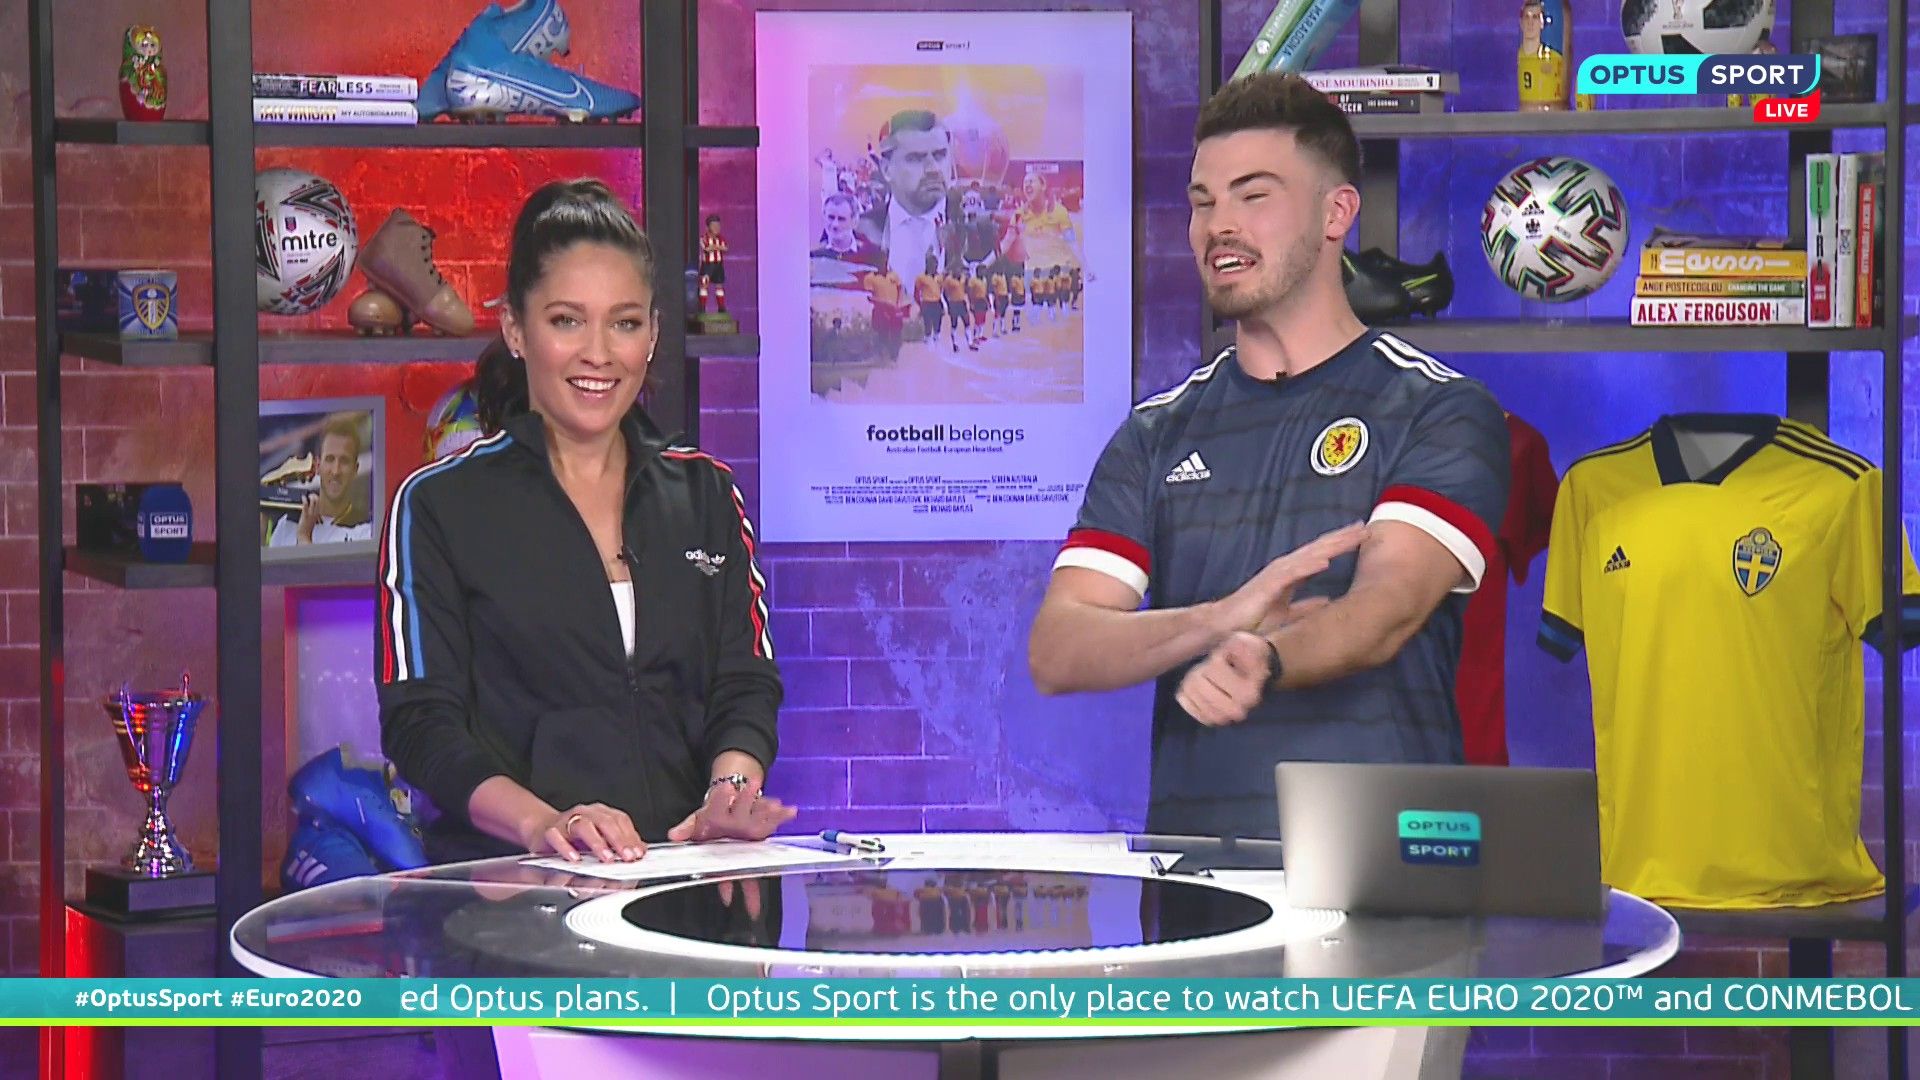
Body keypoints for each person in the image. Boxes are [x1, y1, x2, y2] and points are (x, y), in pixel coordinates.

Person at [1027, 73, 1510, 839]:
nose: (1220, 225)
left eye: (1254, 196)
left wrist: (1265, 657)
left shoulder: (1437, 408)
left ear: (1336, 213)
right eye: (1203, 201)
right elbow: (1059, 648)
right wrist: (1218, 619)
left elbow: (1386, 608)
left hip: (1382, 870)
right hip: (1197, 878)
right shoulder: (1155, 433)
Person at [377, 179, 795, 865]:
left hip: (687, 885)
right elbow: (422, 725)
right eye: (567, 321)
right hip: (515, 895)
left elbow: (745, 682)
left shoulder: (707, 494)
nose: (598, 353)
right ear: (516, 329)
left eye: (624, 323)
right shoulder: (438, 506)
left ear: (653, 334)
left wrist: (729, 790)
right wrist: (546, 824)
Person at [856, 109, 952, 286]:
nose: (933, 169)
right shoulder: (858, 230)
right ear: (886, 170)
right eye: (916, 158)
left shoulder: (981, 230)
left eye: (940, 155)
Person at [266, 413, 373, 546]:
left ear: (355, 469)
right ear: (317, 465)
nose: (336, 471)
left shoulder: (367, 530)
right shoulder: (287, 523)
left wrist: (304, 537)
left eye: (344, 461)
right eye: (329, 459)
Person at [811, 192, 882, 267]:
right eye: (831, 217)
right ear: (824, 218)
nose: (835, 224)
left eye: (841, 219)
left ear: (854, 222)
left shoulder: (871, 254)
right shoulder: (813, 255)